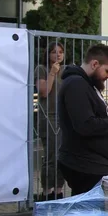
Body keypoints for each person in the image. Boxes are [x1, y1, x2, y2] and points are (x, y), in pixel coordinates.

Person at [57, 44, 108, 194]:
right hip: (87, 165)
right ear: (95, 64)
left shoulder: (87, 85)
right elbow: (85, 124)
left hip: (94, 164)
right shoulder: (76, 84)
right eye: (107, 71)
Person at [34, 41, 65, 199]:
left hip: (63, 117)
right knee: (51, 155)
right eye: (54, 52)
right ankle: (47, 191)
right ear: (48, 54)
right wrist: (52, 73)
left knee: (62, 155)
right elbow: (44, 92)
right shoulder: (42, 69)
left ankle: (59, 190)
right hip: (48, 117)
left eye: (60, 52)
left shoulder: (65, 70)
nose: (58, 55)